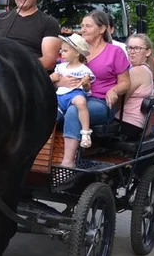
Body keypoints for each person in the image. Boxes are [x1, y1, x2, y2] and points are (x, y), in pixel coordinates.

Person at [55, 10, 130, 167]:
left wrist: (114, 90)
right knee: (46, 110)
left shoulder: (114, 52)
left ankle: (67, 163)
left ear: (102, 29)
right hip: (69, 96)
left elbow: (125, 82)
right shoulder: (75, 49)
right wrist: (60, 83)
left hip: (100, 102)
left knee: (74, 111)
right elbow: (59, 73)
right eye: (82, 26)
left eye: (88, 26)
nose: (83, 29)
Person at [121, 33, 154, 140]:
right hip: (136, 125)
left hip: (127, 124)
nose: (132, 51)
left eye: (137, 48)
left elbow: (120, 102)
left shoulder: (137, 71)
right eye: (129, 48)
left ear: (148, 52)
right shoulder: (148, 71)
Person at [50, 35, 96, 148]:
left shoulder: (84, 70)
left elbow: (87, 89)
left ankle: (85, 133)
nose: (62, 53)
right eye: (61, 50)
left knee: (81, 102)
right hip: (60, 96)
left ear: (76, 53)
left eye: (65, 51)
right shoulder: (60, 67)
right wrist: (52, 77)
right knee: (51, 114)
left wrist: (85, 83)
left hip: (74, 94)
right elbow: (53, 80)